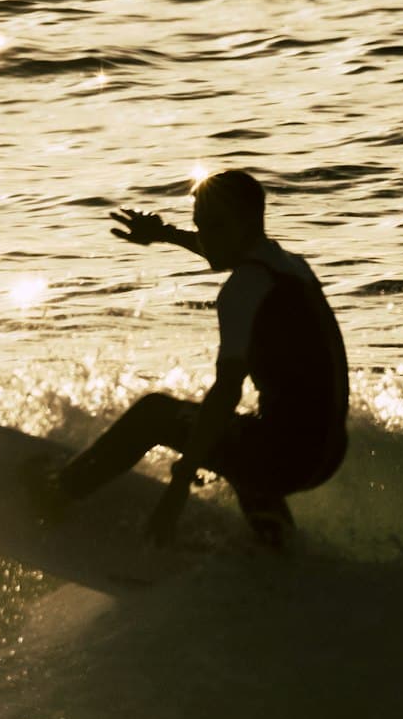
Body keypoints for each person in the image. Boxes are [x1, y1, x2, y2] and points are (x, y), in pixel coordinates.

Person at [38, 169, 348, 549]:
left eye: (212, 227)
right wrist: (165, 234)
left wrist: (180, 484)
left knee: (156, 413)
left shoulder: (242, 291)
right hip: (328, 451)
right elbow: (225, 249)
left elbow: (226, 391)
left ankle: (57, 494)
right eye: (198, 226)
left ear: (244, 222)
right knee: (250, 431)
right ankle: (271, 534)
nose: (203, 238)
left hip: (284, 459)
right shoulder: (289, 265)